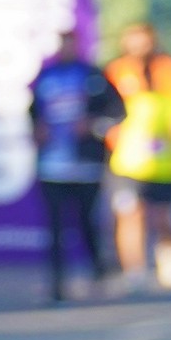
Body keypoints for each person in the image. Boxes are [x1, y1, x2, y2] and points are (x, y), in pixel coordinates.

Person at [30, 30, 126, 302]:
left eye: (71, 43)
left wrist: (93, 126)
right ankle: (57, 284)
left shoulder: (92, 76)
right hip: (52, 166)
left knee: (86, 222)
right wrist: (37, 129)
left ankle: (98, 270)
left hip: (86, 167)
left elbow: (118, 112)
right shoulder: (46, 76)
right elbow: (33, 112)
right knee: (55, 228)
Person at [103, 22, 171, 288]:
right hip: (126, 160)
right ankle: (134, 269)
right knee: (130, 212)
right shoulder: (117, 70)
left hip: (163, 160)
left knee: (162, 215)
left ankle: (168, 259)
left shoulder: (169, 69)